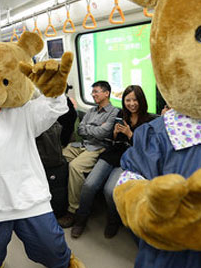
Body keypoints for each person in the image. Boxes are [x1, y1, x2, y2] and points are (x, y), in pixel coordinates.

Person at [71, 85, 153, 238]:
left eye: (135, 100)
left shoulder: (148, 121)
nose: (132, 103)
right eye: (128, 100)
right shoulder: (122, 115)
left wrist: (130, 134)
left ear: (141, 100)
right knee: (89, 185)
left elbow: (144, 148)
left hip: (128, 158)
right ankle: (80, 219)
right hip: (112, 153)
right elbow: (115, 141)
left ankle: (113, 220)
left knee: (109, 190)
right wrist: (115, 134)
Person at [57, 80, 119, 228]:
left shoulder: (114, 112)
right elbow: (80, 130)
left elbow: (104, 133)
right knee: (59, 158)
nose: (93, 95)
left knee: (75, 167)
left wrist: (91, 129)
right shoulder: (91, 111)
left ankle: (74, 210)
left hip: (98, 148)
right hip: (83, 144)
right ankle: (60, 199)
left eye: (96, 91)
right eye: (92, 92)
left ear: (106, 93)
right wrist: (95, 128)